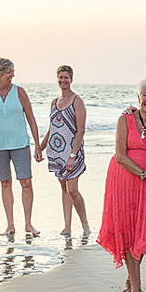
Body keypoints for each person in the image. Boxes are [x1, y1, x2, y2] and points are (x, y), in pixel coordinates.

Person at [97, 80, 146, 292]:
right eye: (144, 95)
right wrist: (144, 174)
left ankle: (130, 278)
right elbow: (121, 156)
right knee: (126, 230)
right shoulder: (124, 119)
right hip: (123, 179)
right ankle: (137, 289)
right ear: (138, 98)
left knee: (141, 232)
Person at [0, 58, 43, 237]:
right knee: (5, 183)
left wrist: (37, 145)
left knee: (26, 182)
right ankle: (10, 225)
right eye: (9, 72)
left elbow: (31, 118)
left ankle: (28, 224)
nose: (12, 75)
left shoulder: (19, 92)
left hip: (20, 143)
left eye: (13, 71)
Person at [40, 65, 90, 236]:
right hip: (56, 152)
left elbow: (81, 130)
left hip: (72, 152)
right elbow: (52, 128)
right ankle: (67, 227)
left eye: (66, 78)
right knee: (64, 189)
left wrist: (72, 156)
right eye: (60, 77)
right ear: (57, 79)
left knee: (73, 189)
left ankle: (85, 225)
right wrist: (41, 147)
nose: (63, 81)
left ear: (71, 79)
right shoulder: (54, 102)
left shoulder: (77, 101)